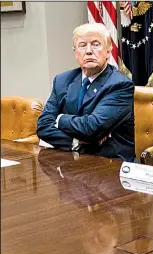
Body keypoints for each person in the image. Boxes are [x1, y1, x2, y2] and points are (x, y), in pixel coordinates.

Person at [37, 23, 136, 162]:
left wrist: (60, 119)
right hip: (72, 164)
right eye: (82, 45)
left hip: (111, 167)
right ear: (75, 52)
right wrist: (76, 142)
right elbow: (43, 126)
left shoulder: (119, 85)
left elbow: (92, 127)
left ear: (108, 51)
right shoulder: (62, 80)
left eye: (96, 44)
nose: (88, 51)